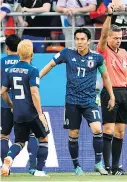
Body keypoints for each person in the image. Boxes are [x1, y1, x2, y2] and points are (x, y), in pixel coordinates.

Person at [40, 28, 115, 175]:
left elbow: (106, 77)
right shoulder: (67, 53)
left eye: (82, 39)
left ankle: (98, 164)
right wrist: (38, 78)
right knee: (74, 134)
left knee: (97, 129)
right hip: (72, 102)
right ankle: (76, 166)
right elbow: (50, 65)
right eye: (77, 39)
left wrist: (112, 96)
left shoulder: (97, 58)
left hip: (90, 101)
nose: (79, 42)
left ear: (88, 41)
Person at [96, 4, 127, 175]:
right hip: (109, 92)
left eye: (120, 38)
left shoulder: (124, 53)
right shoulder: (103, 50)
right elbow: (104, 34)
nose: (118, 40)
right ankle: (105, 166)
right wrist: (109, 16)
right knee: (109, 130)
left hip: (122, 94)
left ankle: (116, 167)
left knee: (120, 133)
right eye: (115, 38)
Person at [1, 40, 49, 177]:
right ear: (32, 54)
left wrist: (11, 104)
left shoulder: (10, 70)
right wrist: (40, 113)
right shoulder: (33, 70)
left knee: (19, 141)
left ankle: (9, 158)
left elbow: (3, 91)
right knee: (43, 139)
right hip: (31, 112)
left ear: (18, 53)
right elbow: (34, 92)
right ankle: (39, 170)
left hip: (17, 113)